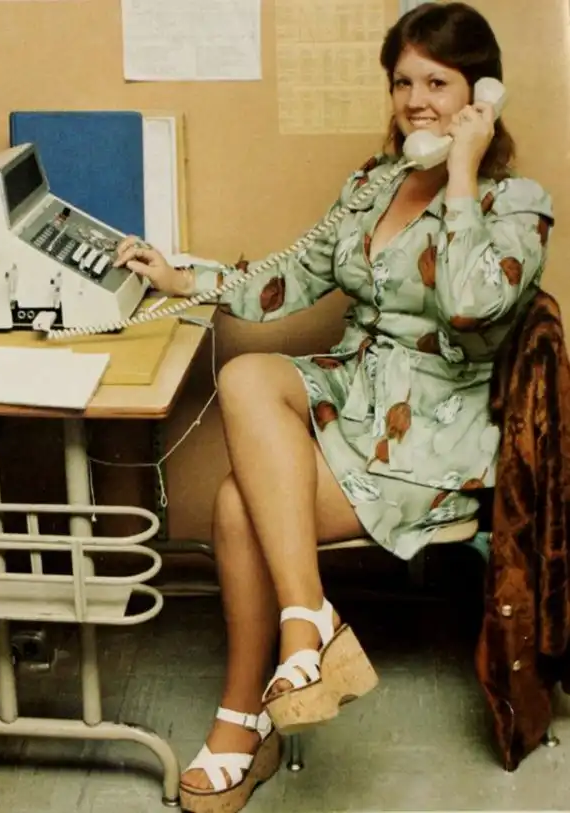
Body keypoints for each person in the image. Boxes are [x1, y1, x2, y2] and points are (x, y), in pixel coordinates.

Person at [114, 3, 553, 811]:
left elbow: (471, 304)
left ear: (481, 94)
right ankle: (307, 619)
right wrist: (184, 279)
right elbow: (292, 276)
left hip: (430, 439)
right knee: (249, 375)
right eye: (403, 83)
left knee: (236, 503)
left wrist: (461, 173)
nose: (416, 101)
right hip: (352, 399)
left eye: (438, 83)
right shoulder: (373, 185)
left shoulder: (518, 204)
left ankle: (245, 718)